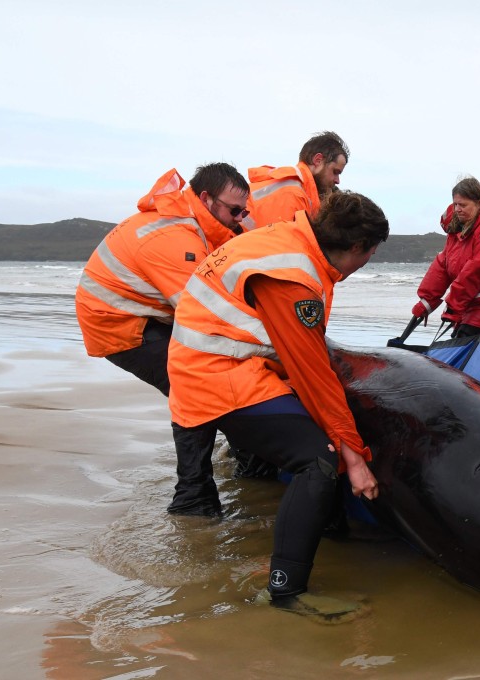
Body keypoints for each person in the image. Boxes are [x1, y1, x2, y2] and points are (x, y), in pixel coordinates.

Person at [166, 190, 388, 621]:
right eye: (370, 255)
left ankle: (319, 525)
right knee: (318, 459)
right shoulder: (292, 276)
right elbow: (313, 375)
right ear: (357, 248)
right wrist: (355, 458)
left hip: (222, 363)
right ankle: (286, 592)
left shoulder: (290, 239)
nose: (365, 264)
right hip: (217, 375)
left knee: (320, 439)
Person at [75, 163, 251, 515]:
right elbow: (205, 315)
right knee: (195, 384)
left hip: (146, 313)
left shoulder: (193, 223)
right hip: (118, 322)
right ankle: (193, 498)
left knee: (211, 375)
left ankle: (245, 456)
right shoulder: (176, 238)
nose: (240, 219)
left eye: (244, 211)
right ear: (206, 199)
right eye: (235, 211)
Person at [413, 177, 480, 338]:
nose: (458, 209)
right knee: (457, 349)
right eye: (455, 204)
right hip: (470, 305)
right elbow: (443, 265)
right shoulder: (459, 228)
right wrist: (427, 301)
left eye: (463, 205)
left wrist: (452, 308)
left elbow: (475, 272)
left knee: (465, 350)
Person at [242, 130, 349, 230]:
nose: (337, 181)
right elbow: (282, 247)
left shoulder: (293, 187)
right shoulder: (293, 193)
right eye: (335, 172)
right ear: (318, 160)